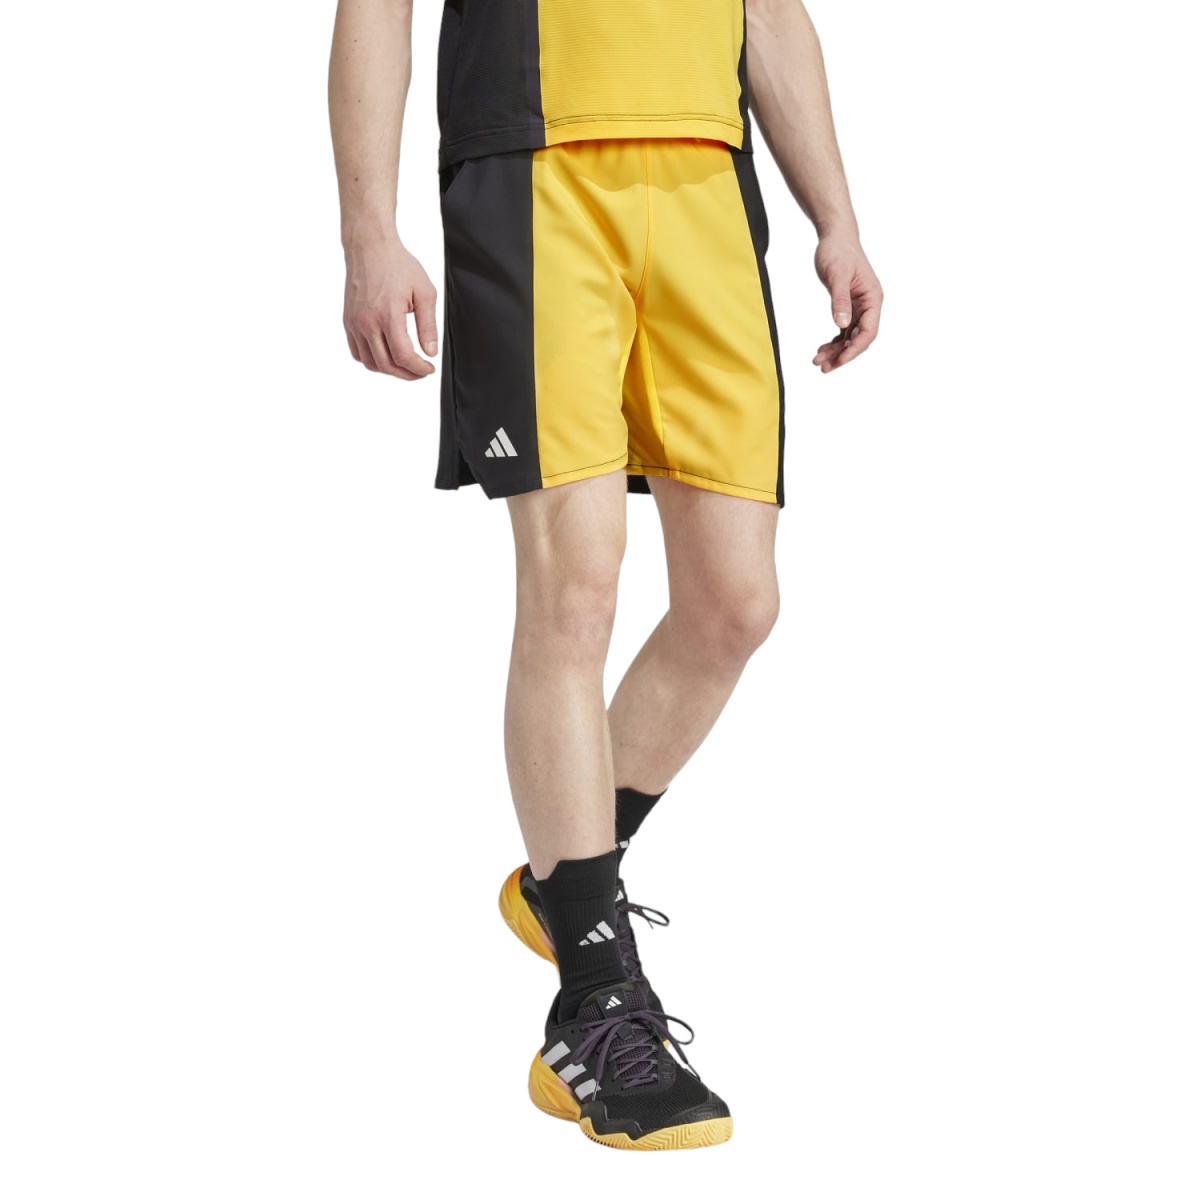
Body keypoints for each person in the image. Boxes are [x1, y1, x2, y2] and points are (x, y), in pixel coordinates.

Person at [329, 0, 882, 1151]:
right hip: (535, 168)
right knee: (576, 585)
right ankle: (595, 1001)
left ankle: (563, 881)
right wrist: (369, 234)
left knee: (736, 604)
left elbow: (772, 12)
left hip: (707, 179)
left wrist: (836, 216)